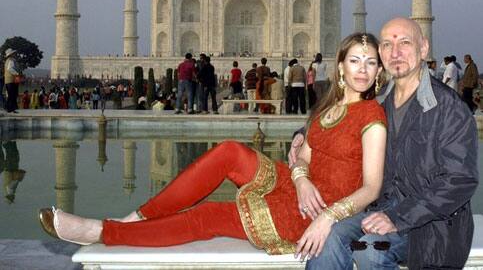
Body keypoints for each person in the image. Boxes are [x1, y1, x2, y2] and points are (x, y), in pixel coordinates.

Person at [39, 33, 387, 256]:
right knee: (229, 151)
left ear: (378, 71)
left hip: (313, 212)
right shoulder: (329, 106)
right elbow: (305, 157)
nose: (363, 69)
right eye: (355, 60)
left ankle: (103, 232)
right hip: (299, 188)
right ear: (341, 66)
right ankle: (137, 217)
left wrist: (326, 217)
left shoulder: (373, 116)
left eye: (371, 62)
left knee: (207, 217)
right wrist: (300, 178)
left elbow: (371, 188)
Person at [305, 17, 478, 269]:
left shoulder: (448, 107)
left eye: (405, 43)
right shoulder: (380, 102)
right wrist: (304, 133)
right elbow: (342, 116)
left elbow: (459, 180)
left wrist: (398, 217)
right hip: (382, 209)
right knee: (328, 235)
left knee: (371, 250)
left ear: (423, 48)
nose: (395, 53)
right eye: (387, 44)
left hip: (430, 223)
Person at [4, 48, 21, 113]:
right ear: (11, 54)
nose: (15, 54)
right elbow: (10, 69)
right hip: (12, 80)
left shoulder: (7, 60)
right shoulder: (11, 60)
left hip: (8, 80)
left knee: (11, 94)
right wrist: (17, 73)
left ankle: (10, 108)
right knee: (12, 94)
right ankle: (10, 108)